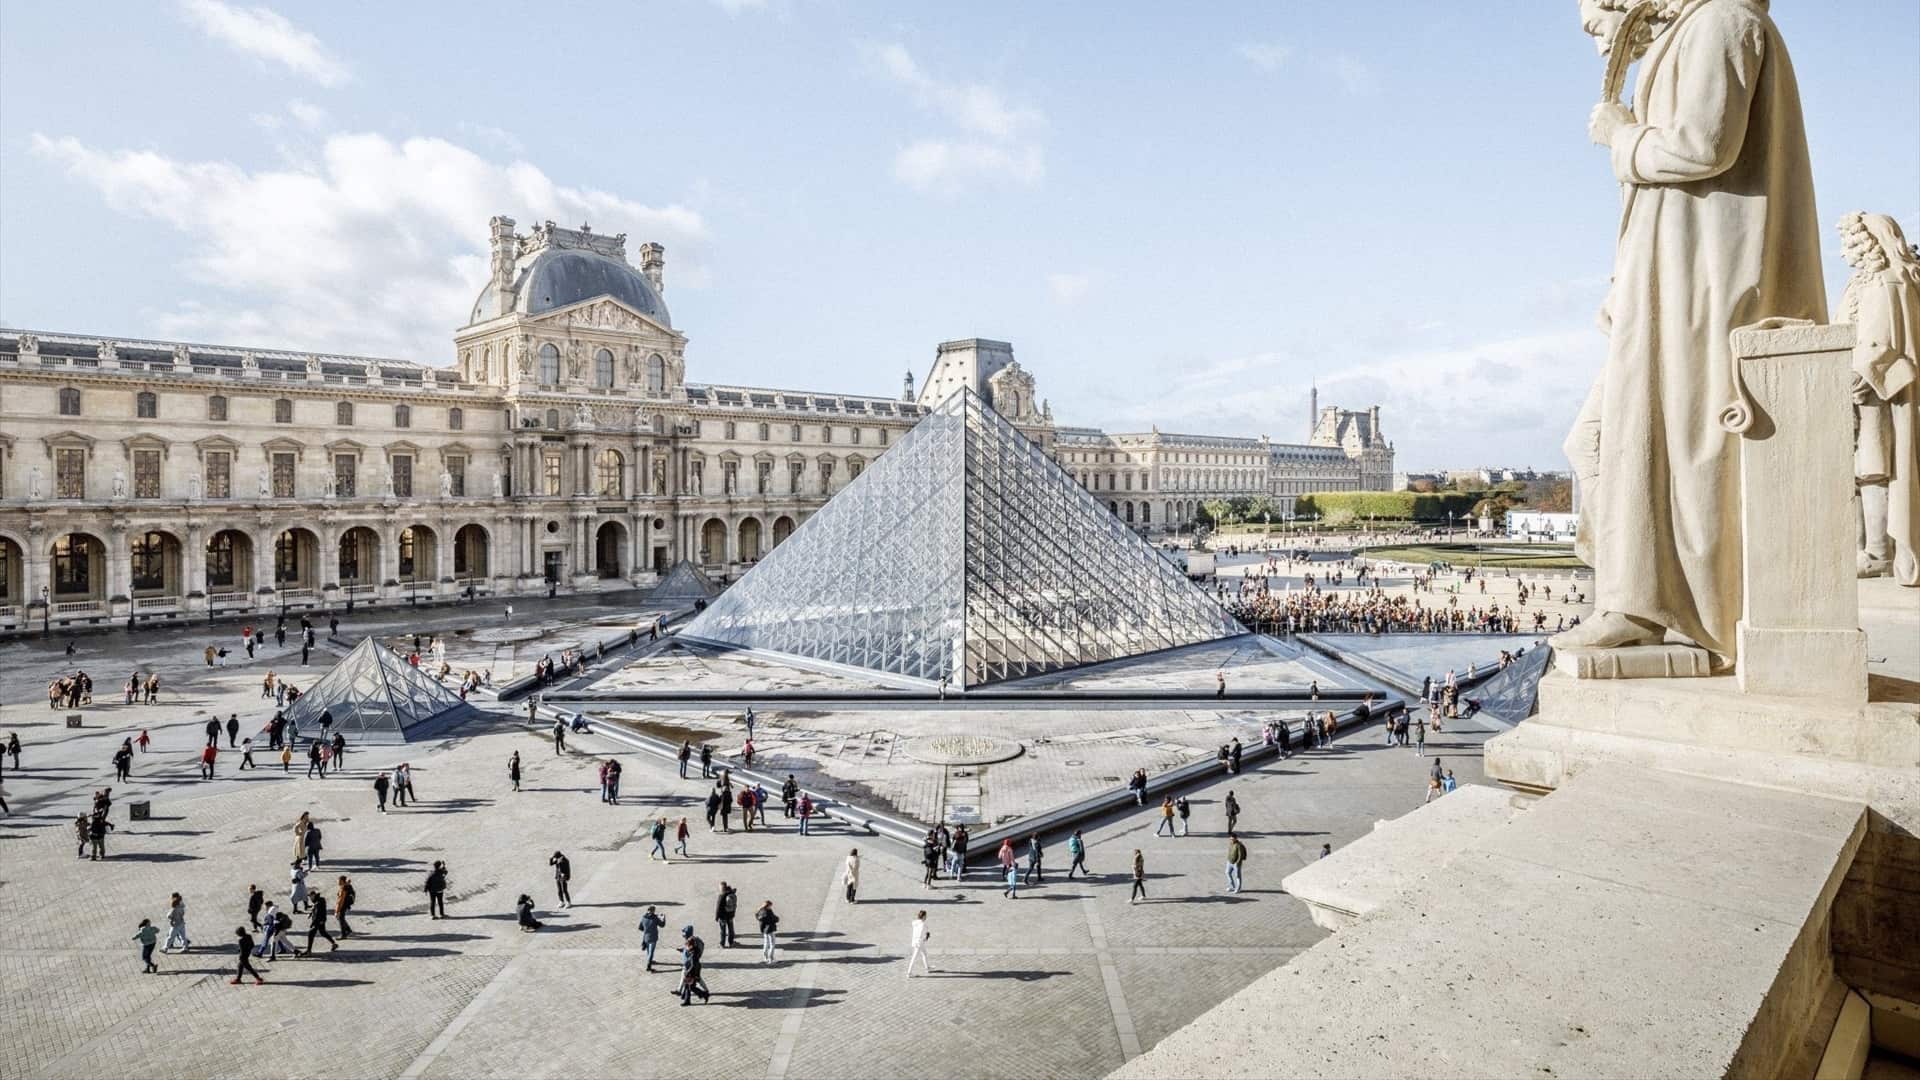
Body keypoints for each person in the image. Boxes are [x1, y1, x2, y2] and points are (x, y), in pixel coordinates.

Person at [678, 926, 709, 1006]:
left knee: (691, 987)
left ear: (690, 945)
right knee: (688, 986)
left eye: (687, 945)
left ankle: (704, 994)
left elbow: (693, 965)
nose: (686, 947)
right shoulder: (693, 950)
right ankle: (687, 1000)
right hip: (692, 971)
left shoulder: (693, 954)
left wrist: (688, 972)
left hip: (692, 972)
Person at [639, 906, 666, 972]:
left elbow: (640, 928)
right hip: (653, 937)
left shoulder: (643, 917)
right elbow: (662, 925)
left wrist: (646, 929)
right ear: (653, 911)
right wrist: (663, 918)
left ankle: (650, 960)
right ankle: (649, 966)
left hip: (645, 937)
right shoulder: (655, 918)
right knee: (651, 952)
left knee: (648, 950)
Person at [906, 910, 933, 977]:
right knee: (914, 957)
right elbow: (921, 934)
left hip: (916, 941)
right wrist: (926, 937)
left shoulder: (915, 922)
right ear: (923, 916)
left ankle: (927, 968)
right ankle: (909, 973)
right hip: (919, 943)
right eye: (925, 916)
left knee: (924, 954)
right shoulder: (923, 925)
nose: (926, 917)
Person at [756, 900, 780, 965]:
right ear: (768, 906)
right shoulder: (768, 912)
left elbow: (757, 916)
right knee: (772, 944)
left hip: (764, 930)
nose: (771, 907)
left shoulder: (760, 911)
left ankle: (765, 957)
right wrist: (777, 918)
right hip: (770, 929)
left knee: (766, 944)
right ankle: (771, 958)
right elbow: (774, 919)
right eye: (770, 906)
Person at [715, 881, 738, 948]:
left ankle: (722, 944)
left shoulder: (721, 896)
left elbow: (718, 907)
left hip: (723, 916)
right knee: (730, 929)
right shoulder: (731, 893)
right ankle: (731, 942)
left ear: (722, 888)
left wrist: (716, 917)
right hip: (730, 915)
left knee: (723, 931)